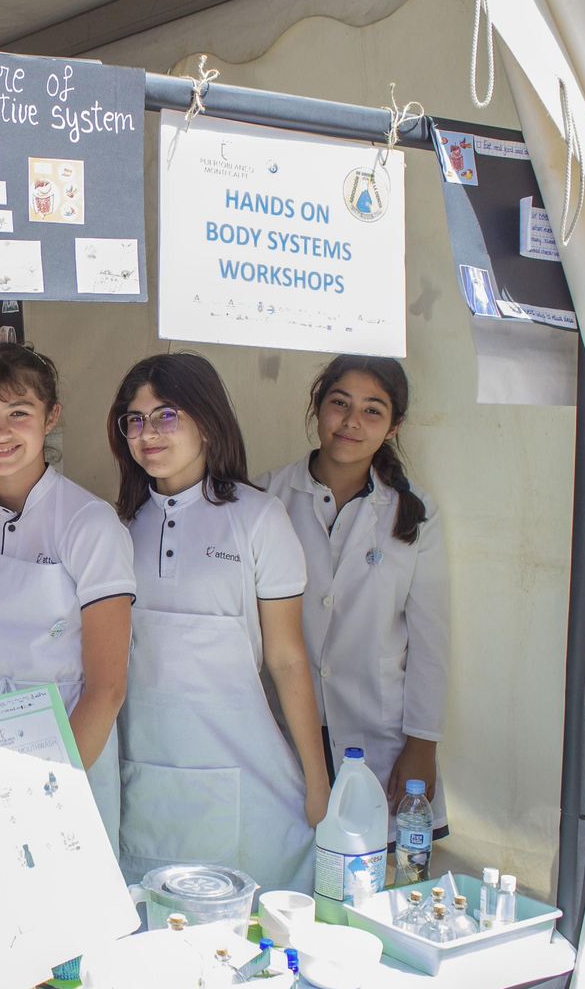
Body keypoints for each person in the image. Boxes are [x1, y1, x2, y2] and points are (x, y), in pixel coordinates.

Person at [108, 353, 329, 893]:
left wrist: (317, 780)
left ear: (206, 421)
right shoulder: (116, 526)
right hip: (144, 770)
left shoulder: (258, 518)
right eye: (134, 420)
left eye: (166, 415)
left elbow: (286, 657)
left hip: (242, 769)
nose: (148, 434)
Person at [0, 343, 134, 851]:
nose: (0, 432)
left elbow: (107, 689)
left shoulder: (89, 524)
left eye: (19, 412)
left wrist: (55, 783)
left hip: (68, 740)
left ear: (51, 418)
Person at [255, 355, 450, 842]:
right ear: (317, 408)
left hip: (377, 734)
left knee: (371, 871)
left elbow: (431, 638)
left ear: (393, 426)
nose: (351, 422)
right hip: (280, 728)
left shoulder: (415, 512)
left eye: (372, 411)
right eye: (340, 404)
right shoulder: (263, 496)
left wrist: (422, 743)